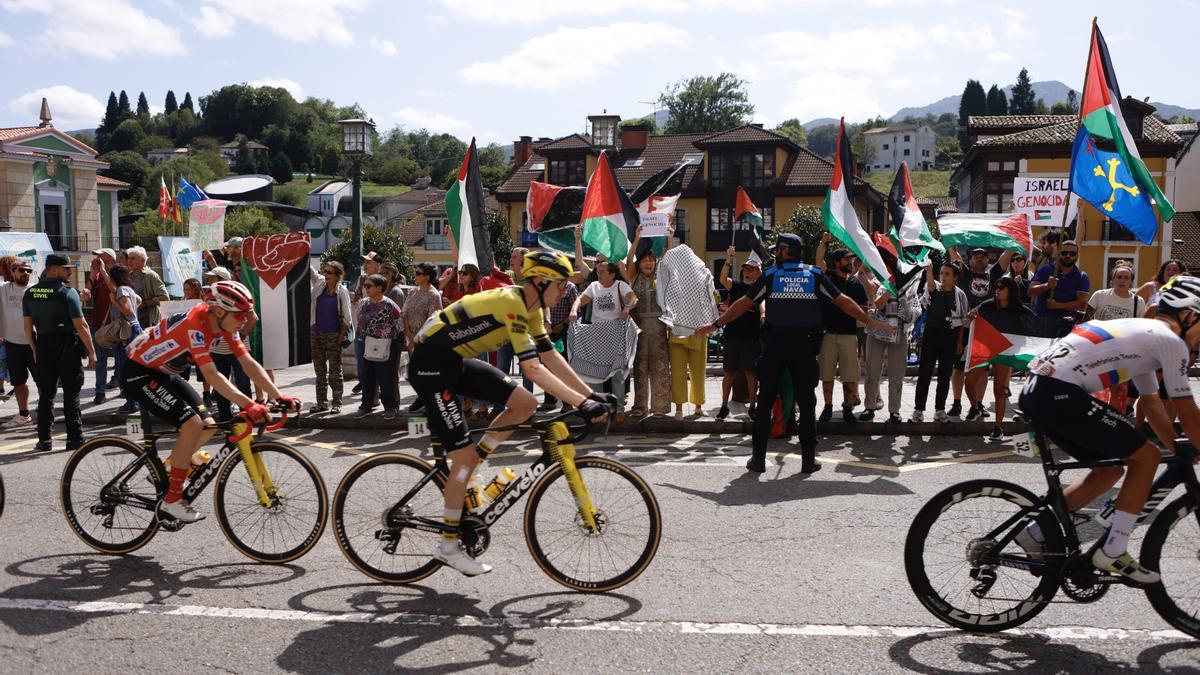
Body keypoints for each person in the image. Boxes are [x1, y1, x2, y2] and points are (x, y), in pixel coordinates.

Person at [408, 250, 612, 576]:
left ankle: (475, 459)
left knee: (525, 404)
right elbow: (532, 370)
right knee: (462, 459)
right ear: (541, 281)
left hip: (453, 361)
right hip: (430, 366)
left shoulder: (530, 309)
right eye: (560, 285)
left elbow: (550, 358)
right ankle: (448, 545)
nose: (564, 293)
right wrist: (582, 404)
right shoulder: (512, 304)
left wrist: (589, 394)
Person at [1018, 276, 1200, 583]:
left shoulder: (1146, 334)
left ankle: (1035, 533)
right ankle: (1113, 550)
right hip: (1058, 392)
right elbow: (1187, 409)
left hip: (1039, 389)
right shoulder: (1171, 342)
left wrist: (1177, 447)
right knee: (1146, 458)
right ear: (1189, 315)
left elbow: (1152, 404)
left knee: (1111, 470)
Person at [697, 234, 892, 474]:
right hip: (804, 346)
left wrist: (715, 324)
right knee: (807, 403)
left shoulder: (770, 275)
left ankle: (758, 459)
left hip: (775, 344)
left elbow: (743, 304)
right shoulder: (814, 275)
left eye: (778, 249)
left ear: (786, 250)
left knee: (766, 400)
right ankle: (808, 460)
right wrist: (870, 321)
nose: (775, 254)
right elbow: (843, 302)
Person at [123, 280, 298, 522]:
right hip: (137, 372)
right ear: (219, 310)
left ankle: (169, 470)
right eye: (241, 314)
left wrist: (279, 396)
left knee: (207, 424)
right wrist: (249, 404)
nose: (245, 319)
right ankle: (172, 500)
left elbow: (248, 363)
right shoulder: (195, 325)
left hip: (162, 372)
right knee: (192, 424)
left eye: (247, 314)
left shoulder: (226, 325)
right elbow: (212, 375)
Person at [22, 254, 97, 452]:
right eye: (66, 268)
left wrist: (34, 349)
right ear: (53, 269)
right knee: (71, 394)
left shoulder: (30, 293)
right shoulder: (67, 292)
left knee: (46, 394)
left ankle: (44, 440)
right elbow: (81, 325)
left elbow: (27, 327)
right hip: (67, 347)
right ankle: (75, 438)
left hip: (44, 346)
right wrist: (91, 352)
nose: (70, 272)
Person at [949, 246, 1013, 421]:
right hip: (965, 327)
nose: (979, 258)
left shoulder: (993, 276)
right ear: (970, 260)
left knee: (982, 369)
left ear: (988, 260)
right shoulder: (964, 274)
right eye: (976, 256)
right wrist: (949, 243)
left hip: (986, 329)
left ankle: (978, 403)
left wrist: (1012, 242)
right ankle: (956, 402)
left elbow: (1007, 254)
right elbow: (953, 253)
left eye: (983, 256)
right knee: (958, 367)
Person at [569, 260, 638, 420]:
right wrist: (574, 309)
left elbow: (633, 298)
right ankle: (599, 411)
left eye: (602, 271)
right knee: (595, 373)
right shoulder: (594, 286)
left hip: (616, 333)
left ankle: (619, 409)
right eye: (598, 271)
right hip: (596, 334)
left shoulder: (620, 285)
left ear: (612, 275)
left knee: (618, 374)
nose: (598, 273)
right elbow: (580, 299)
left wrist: (627, 308)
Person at [969, 276, 1034, 439]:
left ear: (1010, 291)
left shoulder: (1021, 310)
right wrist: (971, 315)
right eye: (996, 287)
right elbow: (971, 315)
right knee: (968, 382)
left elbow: (1039, 325)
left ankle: (998, 428)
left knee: (999, 390)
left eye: (1001, 287)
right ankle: (975, 407)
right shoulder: (987, 305)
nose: (997, 290)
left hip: (1005, 353)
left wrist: (1063, 324)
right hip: (985, 350)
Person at [658, 243, 717, 418]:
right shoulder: (701, 272)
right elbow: (711, 295)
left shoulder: (696, 273)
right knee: (688, 370)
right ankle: (683, 408)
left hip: (687, 328)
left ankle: (689, 408)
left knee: (686, 371)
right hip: (692, 328)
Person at [814, 239, 869, 424]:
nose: (850, 263)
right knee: (827, 374)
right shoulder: (827, 277)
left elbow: (864, 308)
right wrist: (823, 243)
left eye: (850, 260)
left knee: (850, 375)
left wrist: (854, 310)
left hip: (849, 335)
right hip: (828, 335)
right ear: (837, 262)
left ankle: (847, 408)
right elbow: (818, 262)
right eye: (846, 260)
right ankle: (827, 407)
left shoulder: (855, 283)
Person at [911, 261, 969, 424]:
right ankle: (918, 410)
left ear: (955, 277)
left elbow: (963, 322)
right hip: (931, 334)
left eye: (947, 274)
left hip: (950, 336)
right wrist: (929, 270)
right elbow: (930, 285)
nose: (943, 276)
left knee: (945, 375)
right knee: (925, 373)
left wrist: (959, 341)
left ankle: (940, 409)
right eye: (941, 273)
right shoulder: (935, 288)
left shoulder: (960, 295)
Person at [623, 228, 672, 419]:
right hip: (640, 328)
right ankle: (640, 406)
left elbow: (669, 259)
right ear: (640, 263)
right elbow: (628, 262)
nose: (649, 263)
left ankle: (659, 407)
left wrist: (669, 237)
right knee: (641, 368)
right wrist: (636, 238)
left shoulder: (660, 276)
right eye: (645, 260)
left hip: (659, 328)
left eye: (651, 260)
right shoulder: (633, 277)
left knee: (660, 367)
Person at [859, 270, 919, 425]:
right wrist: (890, 289)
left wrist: (904, 300)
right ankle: (870, 407)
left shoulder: (911, 289)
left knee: (897, 374)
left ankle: (894, 411)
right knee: (872, 371)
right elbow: (878, 304)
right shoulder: (882, 283)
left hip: (899, 333)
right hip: (877, 332)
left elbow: (912, 314)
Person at [716, 245, 762, 420]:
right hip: (732, 336)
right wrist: (729, 259)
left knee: (751, 374)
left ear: (759, 272)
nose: (747, 272)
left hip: (751, 338)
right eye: (745, 269)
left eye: (751, 269)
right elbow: (722, 279)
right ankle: (723, 406)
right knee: (729, 373)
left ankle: (752, 407)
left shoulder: (761, 290)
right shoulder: (736, 286)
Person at [354, 274, 402, 420]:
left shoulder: (390, 306)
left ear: (380, 288)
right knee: (367, 377)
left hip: (387, 345)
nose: (366, 288)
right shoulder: (362, 303)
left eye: (369, 286)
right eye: (365, 286)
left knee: (386, 378)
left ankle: (390, 408)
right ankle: (366, 406)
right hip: (367, 344)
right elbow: (359, 322)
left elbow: (399, 325)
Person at [310, 260, 353, 414]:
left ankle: (337, 403)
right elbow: (310, 271)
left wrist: (341, 336)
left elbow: (347, 317)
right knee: (319, 371)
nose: (325, 274)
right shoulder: (319, 284)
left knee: (335, 371)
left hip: (334, 335)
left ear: (337, 276)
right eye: (325, 271)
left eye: (329, 272)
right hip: (316, 334)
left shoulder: (342, 292)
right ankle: (321, 403)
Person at [401, 263, 443, 413]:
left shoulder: (434, 295)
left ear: (427, 277)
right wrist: (409, 336)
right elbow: (404, 314)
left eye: (418, 273)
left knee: (425, 375)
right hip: (411, 339)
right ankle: (423, 399)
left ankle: (428, 403)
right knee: (414, 375)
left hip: (426, 342)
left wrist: (415, 340)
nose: (415, 275)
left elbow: (433, 321)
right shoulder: (412, 292)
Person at [0, 258, 34, 429]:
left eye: (29, 271)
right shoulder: (4, 290)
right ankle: (24, 415)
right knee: (18, 382)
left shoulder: (35, 290)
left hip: (35, 344)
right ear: (13, 272)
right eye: (22, 270)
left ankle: (45, 413)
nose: (26, 273)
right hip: (13, 344)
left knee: (43, 381)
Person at [107, 264, 144, 414]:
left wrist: (114, 302)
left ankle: (131, 402)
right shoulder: (129, 290)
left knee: (124, 367)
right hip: (134, 328)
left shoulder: (121, 290)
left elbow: (127, 310)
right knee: (133, 366)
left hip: (126, 331)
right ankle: (136, 400)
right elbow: (139, 300)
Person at [1029, 240, 1090, 322]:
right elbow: (1030, 291)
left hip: (1067, 325)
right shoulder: (1046, 269)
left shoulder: (1082, 277)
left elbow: (1082, 304)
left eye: (1072, 254)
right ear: (1059, 254)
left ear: (1077, 256)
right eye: (1064, 253)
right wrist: (1047, 285)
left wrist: (1058, 305)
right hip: (1042, 322)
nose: (1068, 256)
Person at [87, 248, 116, 403]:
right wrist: (93, 273)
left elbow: (114, 289)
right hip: (98, 323)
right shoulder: (96, 276)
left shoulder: (116, 273)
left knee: (120, 358)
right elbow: (87, 292)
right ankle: (100, 392)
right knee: (100, 359)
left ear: (110, 259)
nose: (98, 258)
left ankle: (126, 389)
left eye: (101, 256)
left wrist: (103, 271)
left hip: (116, 324)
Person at [125, 246, 169, 327]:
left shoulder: (151, 276)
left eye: (133, 258)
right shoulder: (128, 276)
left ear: (143, 261)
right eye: (129, 258)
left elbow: (164, 297)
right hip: (132, 322)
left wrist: (144, 304)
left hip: (148, 322)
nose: (129, 261)